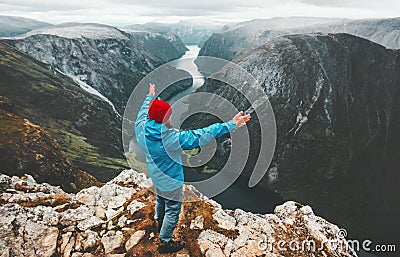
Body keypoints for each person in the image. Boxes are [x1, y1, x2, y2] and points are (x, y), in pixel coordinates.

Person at [134, 83, 251, 254]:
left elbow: (143, 112)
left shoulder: (141, 128)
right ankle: (165, 242)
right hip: (171, 182)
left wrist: (150, 97)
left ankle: (158, 220)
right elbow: (203, 134)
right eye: (169, 115)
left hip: (156, 176)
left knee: (160, 198)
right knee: (173, 210)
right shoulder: (172, 139)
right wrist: (231, 125)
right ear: (165, 118)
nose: (171, 117)